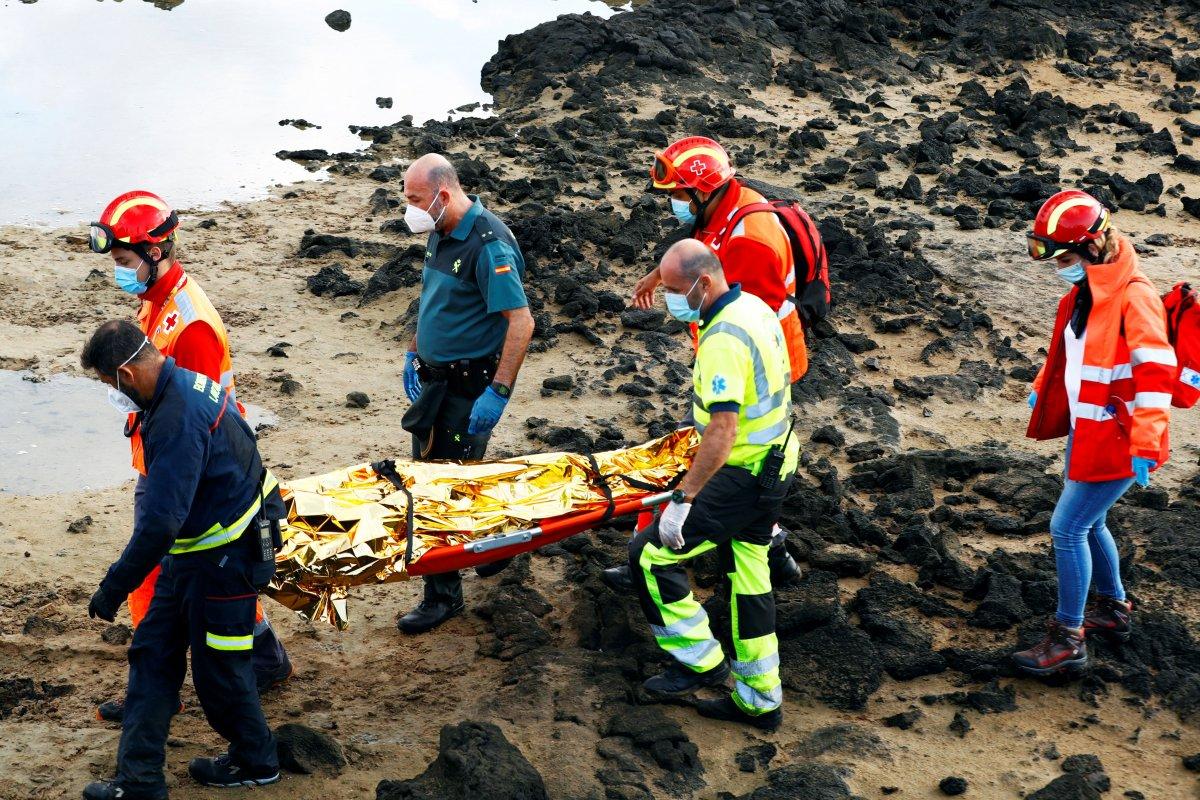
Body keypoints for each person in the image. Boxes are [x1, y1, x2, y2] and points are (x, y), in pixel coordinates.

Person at [87, 190, 291, 723]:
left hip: (182, 473)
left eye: (125, 262)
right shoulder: (157, 302)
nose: (119, 272)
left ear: (155, 252)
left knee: (160, 579)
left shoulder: (191, 323)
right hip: (162, 461)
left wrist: (174, 496)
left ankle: (154, 688)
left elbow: (199, 419)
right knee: (211, 577)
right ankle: (265, 659)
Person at [80, 321, 283, 799]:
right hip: (197, 554)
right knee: (152, 654)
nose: (114, 395)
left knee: (220, 675)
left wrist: (115, 584)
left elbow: (160, 524)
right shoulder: (185, 385)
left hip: (225, 559)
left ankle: (257, 760)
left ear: (127, 374)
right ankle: (140, 781)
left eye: (110, 385)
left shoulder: (175, 417)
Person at [605, 136, 802, 591]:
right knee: (735, 455)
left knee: (727, 452)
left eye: (677, 195)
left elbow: (748, 318)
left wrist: (717, 362)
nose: (674, 204)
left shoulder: (752, 239)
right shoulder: (722, 208)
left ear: (702, 190)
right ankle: (772, 551)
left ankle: (662, 553)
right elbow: (702, 247)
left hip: (759, 362)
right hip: (736, 353)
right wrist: (660, 275)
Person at [628, 239, 797, 731]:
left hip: (741, 474)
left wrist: (683, 498)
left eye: (676, 291)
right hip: (776, 464)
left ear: (704, 283)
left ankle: (698, 661)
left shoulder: (722, 338)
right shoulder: (754, 308)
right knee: (749, 576)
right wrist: (656, 277)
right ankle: (761, 699)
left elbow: (722, 432)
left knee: (650, 555)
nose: (672, 303)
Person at [1015, 190, 1173, 676]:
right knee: (1090, 522)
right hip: (1088, 430)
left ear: (1091, 245)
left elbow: (1157, 371)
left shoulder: (1134, 295)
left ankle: (1068, 639)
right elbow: (1071, 353)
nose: (1059, 267)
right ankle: (1113, 608)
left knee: (1068, 528)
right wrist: (1044, 389)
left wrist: (1146, 443)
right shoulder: (1088, 290)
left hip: (1120, 439)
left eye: (1064, 257)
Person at [397, 154, 535, 634]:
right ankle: (491, 549)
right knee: (447, 478)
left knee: (437, 489)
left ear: (444, 194)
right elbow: (435, 297)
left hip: (466, 386)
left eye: (414, 199)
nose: (408, 209)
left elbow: (521, 321)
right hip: (435, 379)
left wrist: (497, 392)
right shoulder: (440, 230)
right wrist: (415, 350)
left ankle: (443, 597)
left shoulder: (488, 245)